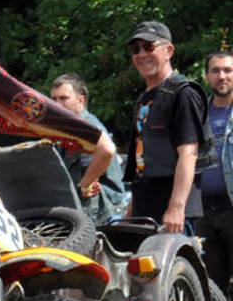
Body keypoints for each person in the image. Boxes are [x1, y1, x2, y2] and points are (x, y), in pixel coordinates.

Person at [122, 21, 209, 234]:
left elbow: (189, 154)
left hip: (172, 214)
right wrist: (129, 215)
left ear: (168, 51)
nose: (141, 54)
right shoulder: (144, 99)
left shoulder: (183, 93)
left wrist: (176, 208)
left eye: (149, 47)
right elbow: (143, 165)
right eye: (136, 49)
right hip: (144, 209)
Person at [50, 74, 126, 223]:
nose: (57, 104)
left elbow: (107, 150)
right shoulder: (70, 128)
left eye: (64, 98)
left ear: (81, 100)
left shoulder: (87, 127)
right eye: (54, 99)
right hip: (85, 207)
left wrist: (85, 184)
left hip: (100, 209)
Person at [195, 51, 233, 293]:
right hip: (203, 212)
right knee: (211, 288)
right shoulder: (198, 115)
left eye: (228, 70)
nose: (222, 76)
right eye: (215, 71)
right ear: (207, 76)